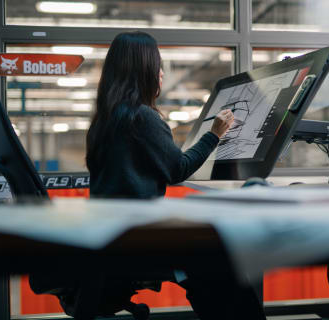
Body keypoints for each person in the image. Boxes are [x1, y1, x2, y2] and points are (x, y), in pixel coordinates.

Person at [86, 31, 266, 320]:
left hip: (116, 234)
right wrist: (214, 135)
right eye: (157, 65)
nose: (161, 73)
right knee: (218, 260)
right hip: (135, 239)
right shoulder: (141, 117)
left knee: (208, 265)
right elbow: (177, 169)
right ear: (143, 70)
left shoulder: (106, 120)